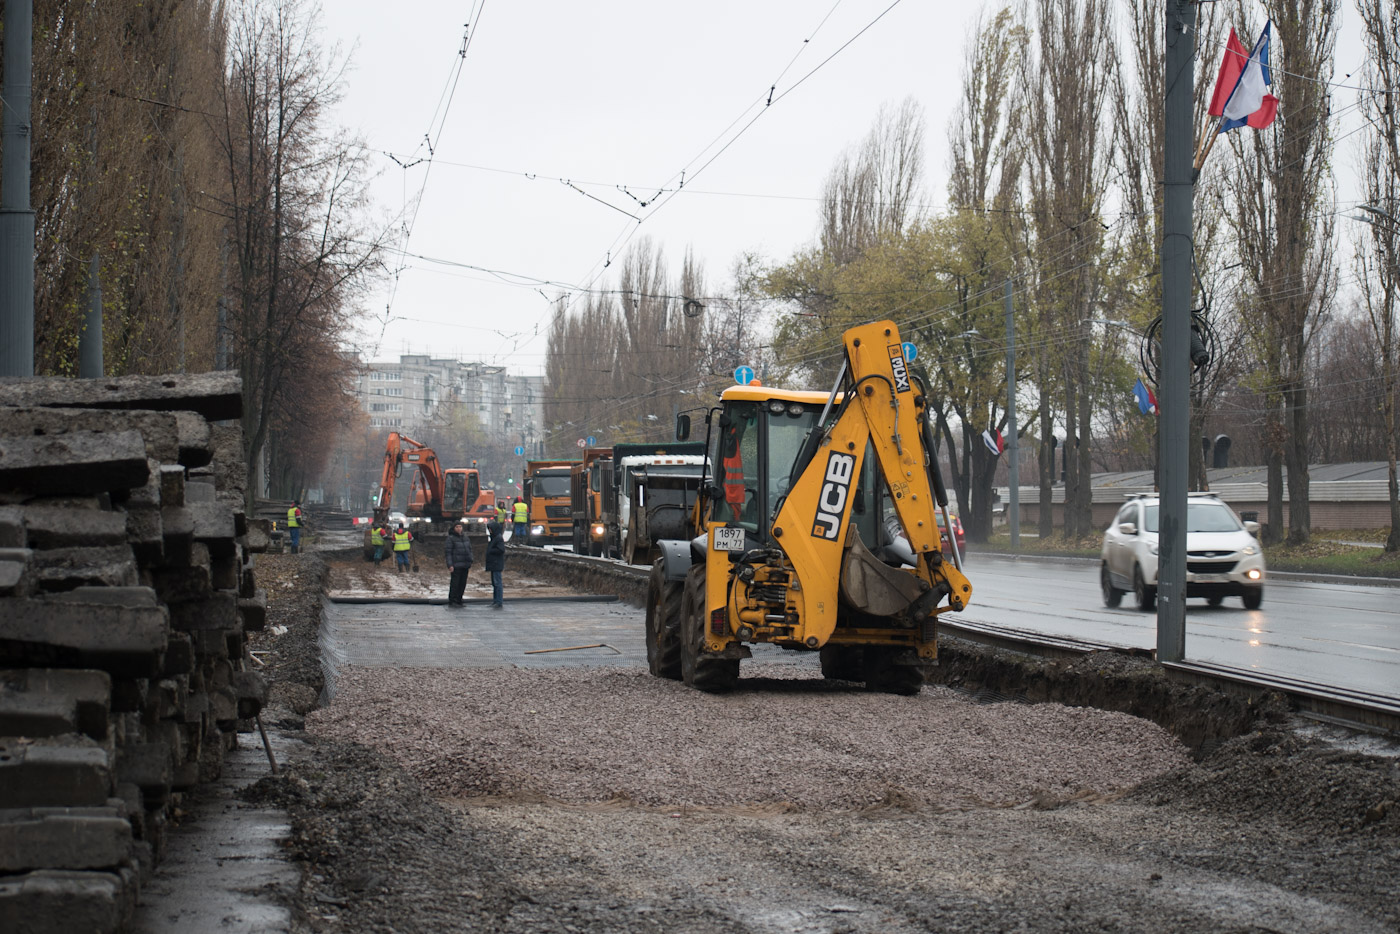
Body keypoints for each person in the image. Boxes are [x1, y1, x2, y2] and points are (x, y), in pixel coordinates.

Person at [444, 521, 474, 607]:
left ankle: (459, 599)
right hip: (456, 565)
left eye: (460, 527)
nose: (459, 529)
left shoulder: (465, 537)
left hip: (465, 564)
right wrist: (450, 565)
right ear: (454, 528)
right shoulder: (451, 538)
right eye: (457, 527)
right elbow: (448, 553)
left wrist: (470, 559)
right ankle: (453, 600)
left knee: (462, 583)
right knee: (455, 583)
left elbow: (469, 549)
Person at [484, 519, 507, 608]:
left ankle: (498, 601)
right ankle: (496, 601)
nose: (489, 530)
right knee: (495, 583)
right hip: (494, 564)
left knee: (497, 583)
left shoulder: (498, 538)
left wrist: (491, 551)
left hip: (496, 564)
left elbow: (501, 550)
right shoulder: (494, 538)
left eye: (490, 529)